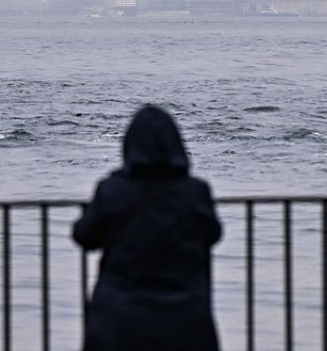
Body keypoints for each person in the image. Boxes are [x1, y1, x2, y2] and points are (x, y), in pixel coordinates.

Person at [73, 104, 222, 351]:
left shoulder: (113, 190)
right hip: (185, 317)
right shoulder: (195, 192)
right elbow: (213, 234)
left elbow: (85, 236)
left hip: (120, 318)